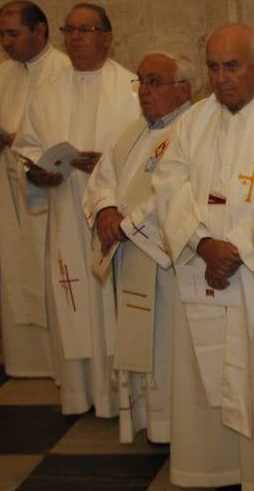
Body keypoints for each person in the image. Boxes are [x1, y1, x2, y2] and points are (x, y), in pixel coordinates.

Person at [153, 23, 254, 491]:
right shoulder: (193, 122)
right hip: (202, 269)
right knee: (206, 374)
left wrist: (235, 251)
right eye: (213, 67)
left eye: (232, 66)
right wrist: (201, 242)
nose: (220, 78)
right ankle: (227, 470)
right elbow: (168, 185)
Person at [14, 3, 139, 418]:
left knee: (113, 304)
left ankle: (123, 399)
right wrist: (38, 174)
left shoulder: (132, 89)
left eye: (86, 29)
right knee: (74, 300)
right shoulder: (47, 90)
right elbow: (27, 148)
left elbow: (148, 153)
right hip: (66, 210)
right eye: (70, 29)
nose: (76, 37)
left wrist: (109, 162)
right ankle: (82, 393)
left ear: (107, 36)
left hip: (115, 215)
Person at [82, 51, 195, 443]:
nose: (144, 91)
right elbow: (103, 179)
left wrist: (126, 223)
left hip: (163, 264)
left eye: (154, 82)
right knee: (140, 339)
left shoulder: (192, 130)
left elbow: (177, 191)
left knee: (167, 346)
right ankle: (148, 420)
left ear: (183, 89)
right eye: (141, 82)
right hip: (129, 254)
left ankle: (174, 430)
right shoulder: (132, 132)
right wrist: (106, 210)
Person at [0, 0, 68, 378]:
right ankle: (27, 360)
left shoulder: (63, 72)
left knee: (52, 271)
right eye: (1, 34)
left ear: (39, 30)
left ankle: (59, 362)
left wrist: (29, 143)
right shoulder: (1, 75)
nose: (6, 42)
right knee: (17, 264)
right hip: (11, 196)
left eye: (13, 33)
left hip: (48, 191)